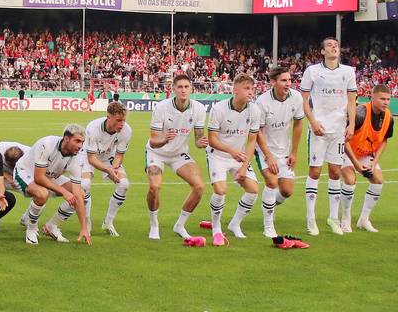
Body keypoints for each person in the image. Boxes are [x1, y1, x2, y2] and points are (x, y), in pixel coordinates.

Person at [300, 37, 357, 236]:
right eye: (329, 45)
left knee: (335, 172)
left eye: (336, 45)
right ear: (322, 51)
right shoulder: (312, 71)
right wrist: (313, 122)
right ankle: (310, 219)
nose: (334, 47)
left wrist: (351, 123)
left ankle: (333, 218)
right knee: (315, 172)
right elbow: (304, 100)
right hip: (319, 129)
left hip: (338, 130)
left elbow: (351, 100)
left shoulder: (348, 71)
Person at [48, 102, 132, 237]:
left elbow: (119, 154)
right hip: (87, 155)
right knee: (85, 185)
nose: (122, 124)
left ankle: (108, 222)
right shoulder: (93, 127)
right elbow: (92, 158)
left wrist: (114, 169)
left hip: (108, 157)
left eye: (124, 120)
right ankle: (86, 221)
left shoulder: (126, 130)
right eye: (118, 120)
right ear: (108, 117)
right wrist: (108, 170)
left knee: (124, 184)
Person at [145, 73, 208, 240]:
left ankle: (180, 226)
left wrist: (202, 143)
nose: (183, 90)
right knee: (154, 187)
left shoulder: (199, 109)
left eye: (186, 87)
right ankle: (154, 224)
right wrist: (164, 139)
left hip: (179, 154)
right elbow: (153, 142)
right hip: (157, 153)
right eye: (179, 87)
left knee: (199, 186)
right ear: (173, 89)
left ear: (192, 89)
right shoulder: (161, 108)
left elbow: (198, 140)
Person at [205, 74, 261, 244]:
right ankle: (216, 228)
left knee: (253, 190)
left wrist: (244, 166)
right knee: (221, 190)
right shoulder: (219, 109)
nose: (251, 92)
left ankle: (235, 224)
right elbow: (212, 139)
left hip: (239, 157)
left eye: (252, 89)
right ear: (235, 90)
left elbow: (252, 141)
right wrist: (232, 151)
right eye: (246, 88)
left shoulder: (255, 111)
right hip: (218, 155)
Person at [14, 124, 90, 245]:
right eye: (77, 141)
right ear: (66, 138)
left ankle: (51, 226)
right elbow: (39, 178)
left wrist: (84, 228)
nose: (80, 146)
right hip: (25, 172)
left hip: (50, 175)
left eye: (82, 142)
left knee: (80, 193)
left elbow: (77, 194)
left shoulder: (78, 156)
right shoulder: (47, 144)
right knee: (42, 194)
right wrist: (64, 191)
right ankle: (32, 229)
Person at [254, 64, 305, 239]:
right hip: (263, 149)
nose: (288, 83)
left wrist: (294, 152)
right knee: (271, 182)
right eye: (284, 80)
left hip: (284, 150)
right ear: (273, 82)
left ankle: (267, 205)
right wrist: (268, 156)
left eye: (290, 80)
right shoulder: (262, 101)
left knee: (287, 191)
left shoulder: (296, 98)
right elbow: (257, 131)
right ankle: (268, 226)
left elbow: (298, 124)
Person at [340, 84, 394, 233]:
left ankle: (364, 220)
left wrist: (374, 162)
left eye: (388, 99)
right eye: (382, 99)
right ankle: (345, 219)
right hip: (347, 151)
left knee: (378, 181)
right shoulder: (360, 113)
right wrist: (356, 164)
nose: (385, 102)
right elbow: (343, 139)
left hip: (366, 153)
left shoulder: (389, 117)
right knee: (350, 181)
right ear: (372, 97)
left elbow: (384, 141)